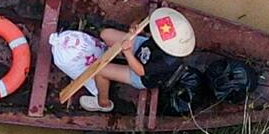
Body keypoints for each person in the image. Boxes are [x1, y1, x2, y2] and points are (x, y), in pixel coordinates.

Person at [50, 11, 197, 113]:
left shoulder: (169, 61)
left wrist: (126, 52)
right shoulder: (166, 26)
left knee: (100, 71)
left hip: (143, 75)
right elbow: (144, 20)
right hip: (143, 47)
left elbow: (140, 71)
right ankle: (109, 54)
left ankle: (103, 103)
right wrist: (135, 26)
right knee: (106, 34)